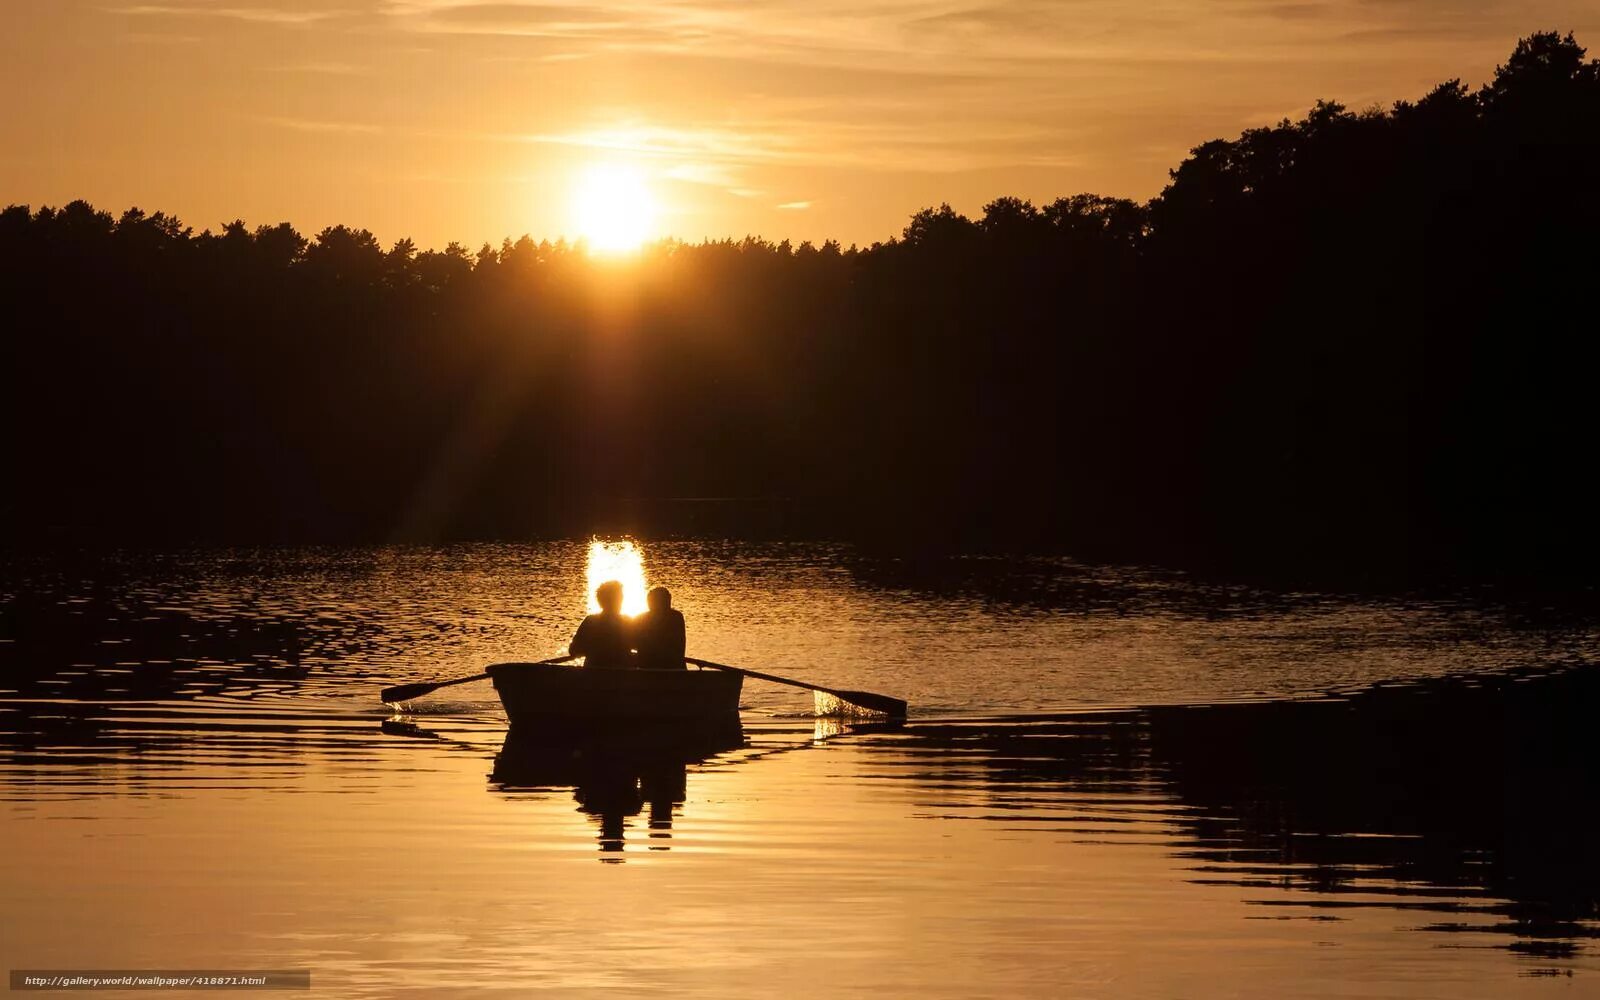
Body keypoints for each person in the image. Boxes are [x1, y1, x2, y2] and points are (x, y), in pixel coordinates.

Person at [569, 580, 633, 669]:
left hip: (592, 673)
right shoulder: (628, 621)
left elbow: (574, 650)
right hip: (622, 675)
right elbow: (638, 646)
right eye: (621, 596)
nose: (622, 599)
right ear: (619, 600)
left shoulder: (590, 621)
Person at [632, 586, 686, 670]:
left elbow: (632, 643)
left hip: (647, 671)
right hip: (675, 670)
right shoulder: (677, 617)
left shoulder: (640, 619)